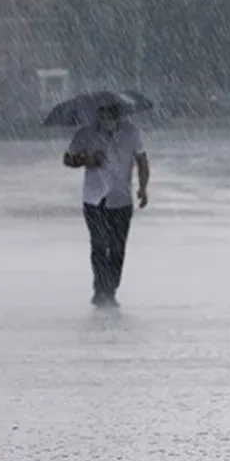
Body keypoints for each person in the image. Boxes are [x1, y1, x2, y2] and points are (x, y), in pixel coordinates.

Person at [63, 104, 150, 308]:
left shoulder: (131, 133)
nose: (106, 118)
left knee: (118, 247)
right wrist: (86, 159)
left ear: (118, 114)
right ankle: (100, 289)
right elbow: (67, 159)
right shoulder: (86, 134)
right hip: (94, 198)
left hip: (121, 198)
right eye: (102, 113)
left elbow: (142, 160)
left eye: (110, 114)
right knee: (100, 244)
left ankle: (111, 288)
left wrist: (143, 188)